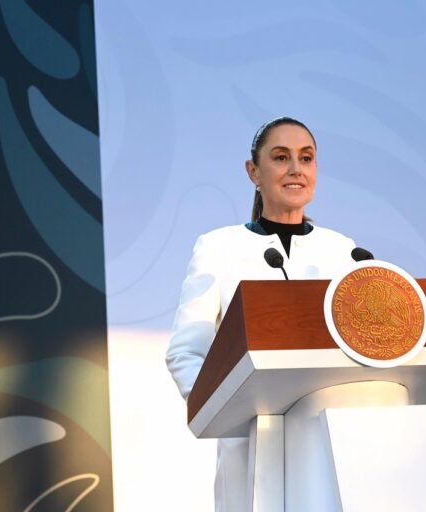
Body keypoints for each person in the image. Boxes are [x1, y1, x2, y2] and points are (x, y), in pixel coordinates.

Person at [165, 117, 357, 512]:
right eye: (281, 157)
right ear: (254, 171)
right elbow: (185, 352)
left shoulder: (344, 252)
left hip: (327, 440)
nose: (295, 169)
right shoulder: (219, 246)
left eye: (306, 158)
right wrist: (224, 411)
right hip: (250, 445)